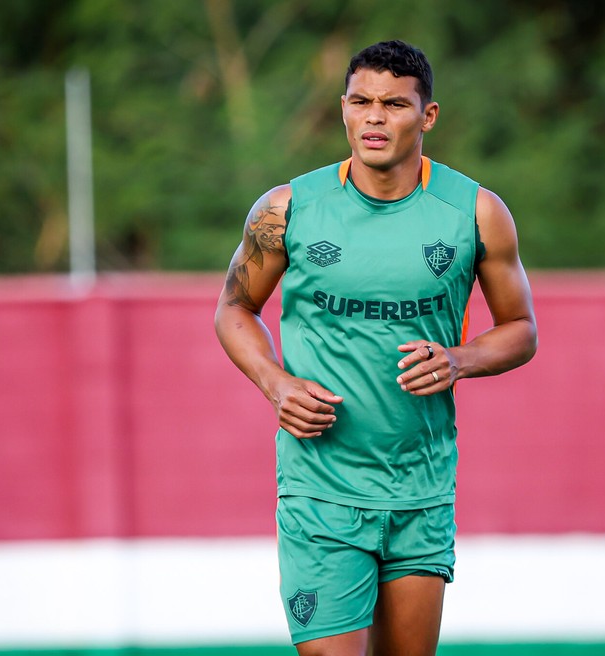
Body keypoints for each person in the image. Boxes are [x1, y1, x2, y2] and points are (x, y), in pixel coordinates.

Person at [215, 40, 537, 656]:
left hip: (421, 487)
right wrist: (276, 383)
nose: (374, 118)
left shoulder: (475, 213)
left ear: (428, 115)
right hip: (319, 488)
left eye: (394, 104)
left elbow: (521, 328)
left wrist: (460, 358)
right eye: (361, 102)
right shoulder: (286, 210)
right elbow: (234, 309)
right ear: (342, 109)